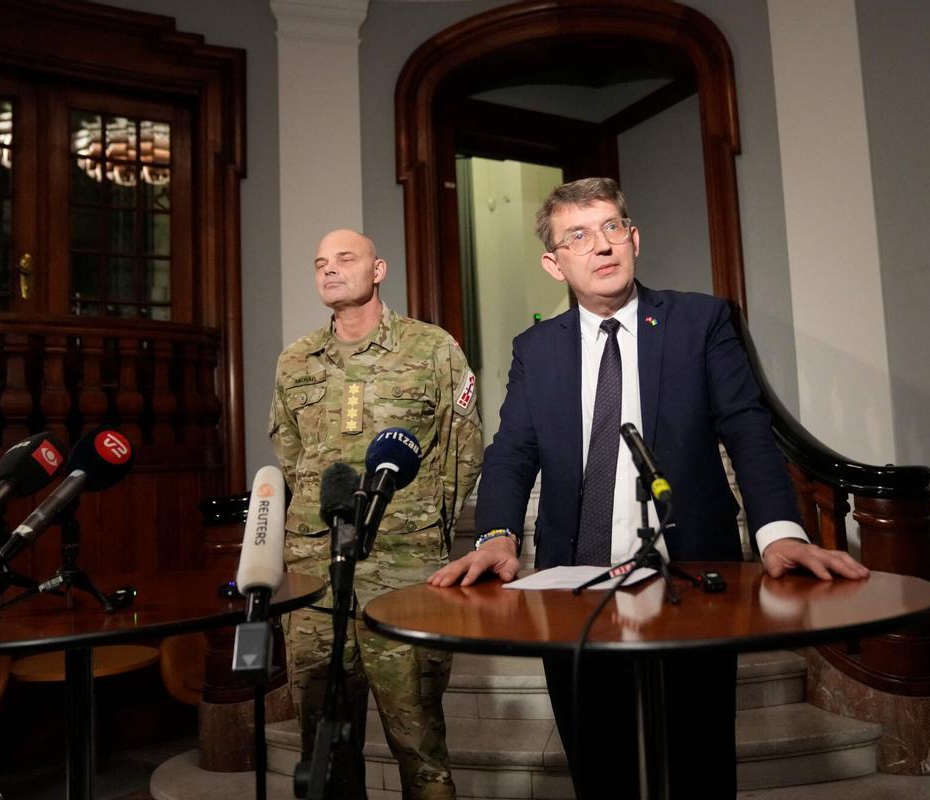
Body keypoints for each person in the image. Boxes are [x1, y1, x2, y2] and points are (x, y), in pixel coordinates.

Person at [428, 178, 868, 798]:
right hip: (571, 588)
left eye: (612, 228)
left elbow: (747, 429)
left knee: (696, 761)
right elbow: (512, 451)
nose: (601, 246)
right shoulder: (535, 348)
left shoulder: (701, 320)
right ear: (555, 264)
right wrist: (498, 533)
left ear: (633, 240)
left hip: (689, 580)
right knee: (598, 764)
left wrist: (778, 529)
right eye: (578, 236)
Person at [271, 229, 483, 799]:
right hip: (315, 575)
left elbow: (462, 448)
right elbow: (290, 454)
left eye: (345, 258)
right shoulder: (295, 361)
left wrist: (423, 526)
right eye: (320, 263)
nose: (330, 270)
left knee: (418, 741)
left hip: (404, 569)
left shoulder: (432, 349)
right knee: (324, 743)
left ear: (379, 268)